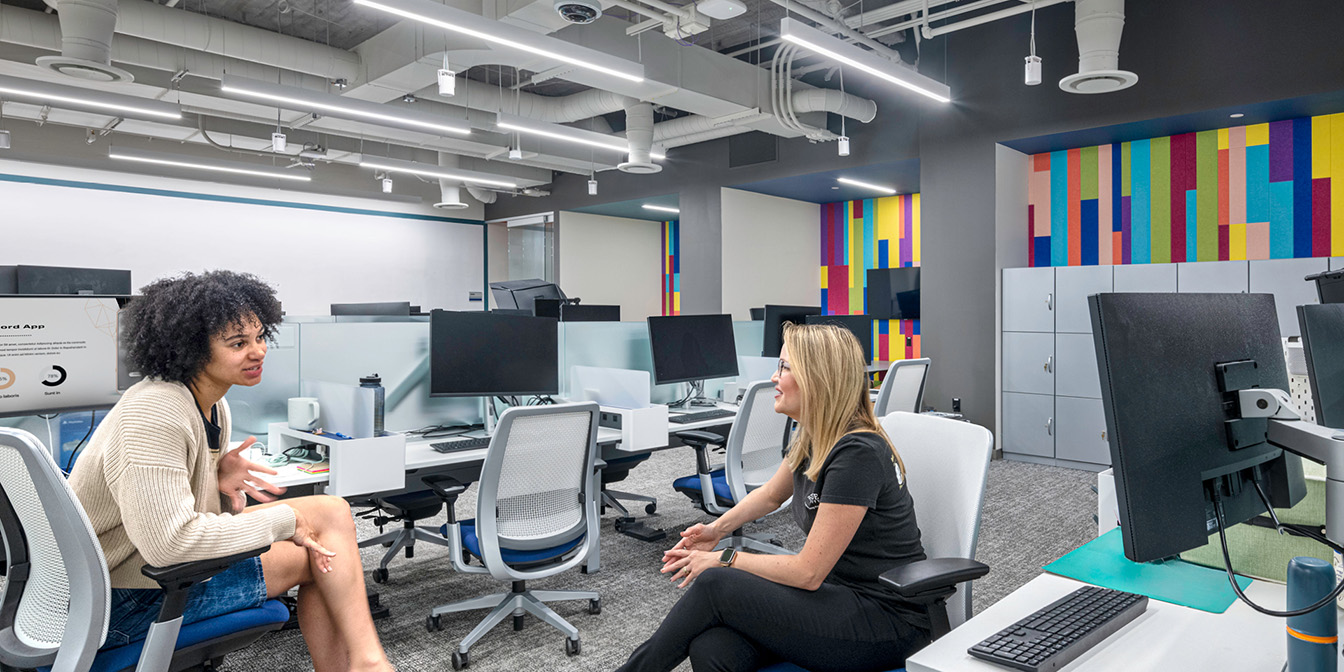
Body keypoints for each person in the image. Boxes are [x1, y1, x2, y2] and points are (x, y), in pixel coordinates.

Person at [68, 270, 394, 672]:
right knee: (320, 557)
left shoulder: (211, 404)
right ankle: (368, 666)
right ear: (190, 349)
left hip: (144, 575)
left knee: (331, 511)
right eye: (238, 343)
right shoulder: (155, 412)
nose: (257, 351)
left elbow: (195, 518)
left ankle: (367, 662)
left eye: (259, 337)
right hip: (119, 602)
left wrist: (214, 481)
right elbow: (170, 545)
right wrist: (283, 520)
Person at [616, 323, 929, 672]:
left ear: (817, 378)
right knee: (714, 647)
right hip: (837, 595)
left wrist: (725, 557)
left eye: (784, 367)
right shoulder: (816, 434)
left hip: (886, 619)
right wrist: (716, 530)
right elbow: (770, 495)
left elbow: (808, 572)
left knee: (716, 583)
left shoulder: (857, 452)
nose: (773, 377)